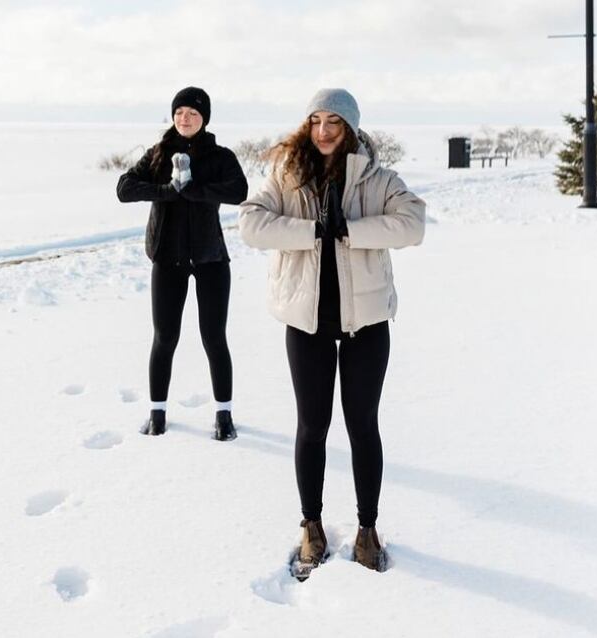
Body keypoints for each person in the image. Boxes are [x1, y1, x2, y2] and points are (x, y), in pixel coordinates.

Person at [239, 89, 425, 576]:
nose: (323, 131)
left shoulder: (377, 178)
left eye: (334, 122)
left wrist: (351, 229)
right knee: (312, 426)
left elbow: (413, 224)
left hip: (365, 322)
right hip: (307, 322)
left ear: (351, 129)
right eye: (316, 120)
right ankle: (311, 525)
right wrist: (312, 232)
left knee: (363, 426)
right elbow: (251, 224)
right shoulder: (287, 174)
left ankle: (367, 529)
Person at [117, 87, 248, 440]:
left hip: (210, 258)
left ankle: (224, 416)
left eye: (192, 112)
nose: (184, 118)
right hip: (167, 260)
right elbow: (124, 188)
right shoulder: (158, 154)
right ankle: (157, 414)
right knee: (164, 337)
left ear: (204, 118)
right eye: (179, 112)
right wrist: (167, 190)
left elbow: (239, 191)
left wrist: (195, 189)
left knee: (214, 337)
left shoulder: (220, 156)